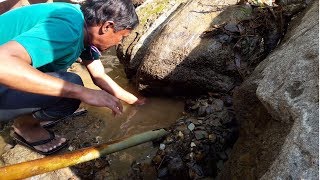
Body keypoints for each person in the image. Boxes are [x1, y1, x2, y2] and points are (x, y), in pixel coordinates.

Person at [0, 0, 144, 155]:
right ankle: (25, 127)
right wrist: (80, 92)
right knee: (71, 86)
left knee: (68, 86)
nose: (119, 43)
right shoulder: (68, 30)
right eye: (122, 36)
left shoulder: (80, 20)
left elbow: (98, 74)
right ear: (107, 26)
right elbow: (3, 65)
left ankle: (36, 112)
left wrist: (135, 101)